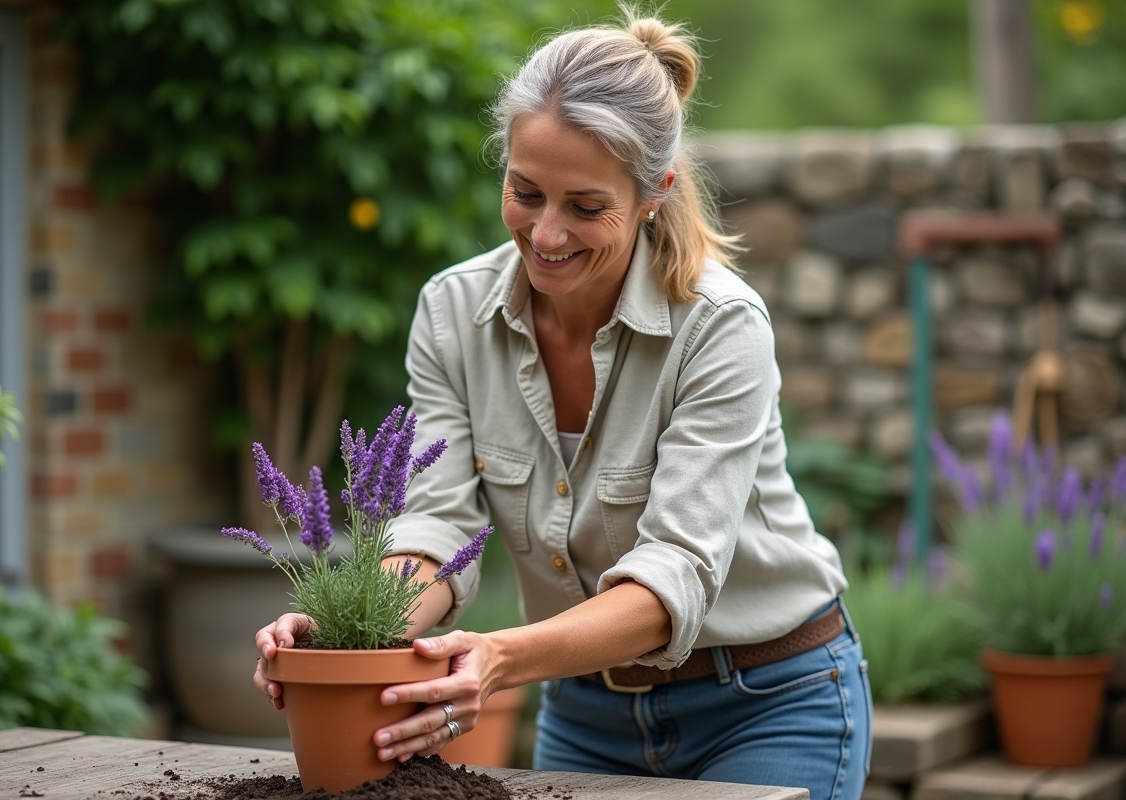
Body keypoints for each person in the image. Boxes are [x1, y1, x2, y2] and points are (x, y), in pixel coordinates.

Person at [254, 10, 871, 799]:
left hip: (769, 703)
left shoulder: (720, 328)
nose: (546, 234)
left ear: (655, 193)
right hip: (586, 713)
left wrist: (501, 658)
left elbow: (673, 573)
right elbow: (437, 526)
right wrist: (348, 636)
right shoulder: (452, 313)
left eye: (585, 207)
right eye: (525, 192)